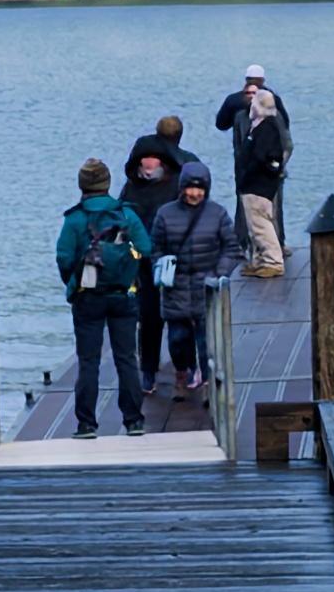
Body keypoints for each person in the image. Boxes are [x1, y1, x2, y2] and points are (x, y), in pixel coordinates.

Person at [54, 157, 151, 438]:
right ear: (107, 184)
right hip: (123, 294)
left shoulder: (75, 219)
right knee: (127, 359)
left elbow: (63, 257)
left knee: (88, 361)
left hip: (88, 297)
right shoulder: (126, 215)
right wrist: (128, 267)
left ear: (82, 185)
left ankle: (86, 424)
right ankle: (133, 421)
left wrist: (75, 282)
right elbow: (145, 247)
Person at [147, 163, 236, 395]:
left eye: (199, 189)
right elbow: (155, 247)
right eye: (190, 188)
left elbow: (231, 248)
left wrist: (219, 273)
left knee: (206, 341)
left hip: (206, 286)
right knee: (177, 340)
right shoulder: (165, 213)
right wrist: (162, 267)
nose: (194, 194)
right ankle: (183, 371)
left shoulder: (217, 213)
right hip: (175, 286)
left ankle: (207, 385)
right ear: (181, 188)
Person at [121, 110, 189, 377]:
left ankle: (179, 366)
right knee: (150, 317)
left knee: (173, 315)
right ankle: (152, 369)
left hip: (166, 256)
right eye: (144, 164)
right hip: (146, 259)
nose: (148, 169)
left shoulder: (174, 181)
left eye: (153, 163)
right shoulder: (132, 187)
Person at [215, 64, 293, 276]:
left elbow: (275, 149)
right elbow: (221, 124)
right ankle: (255, 254)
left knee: (264, 218)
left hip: (261, 179)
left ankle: (272, 258)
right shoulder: (248, 113)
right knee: (254, 217)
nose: (251, 96)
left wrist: (275, 168)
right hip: (251, 177)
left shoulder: (266, 122)